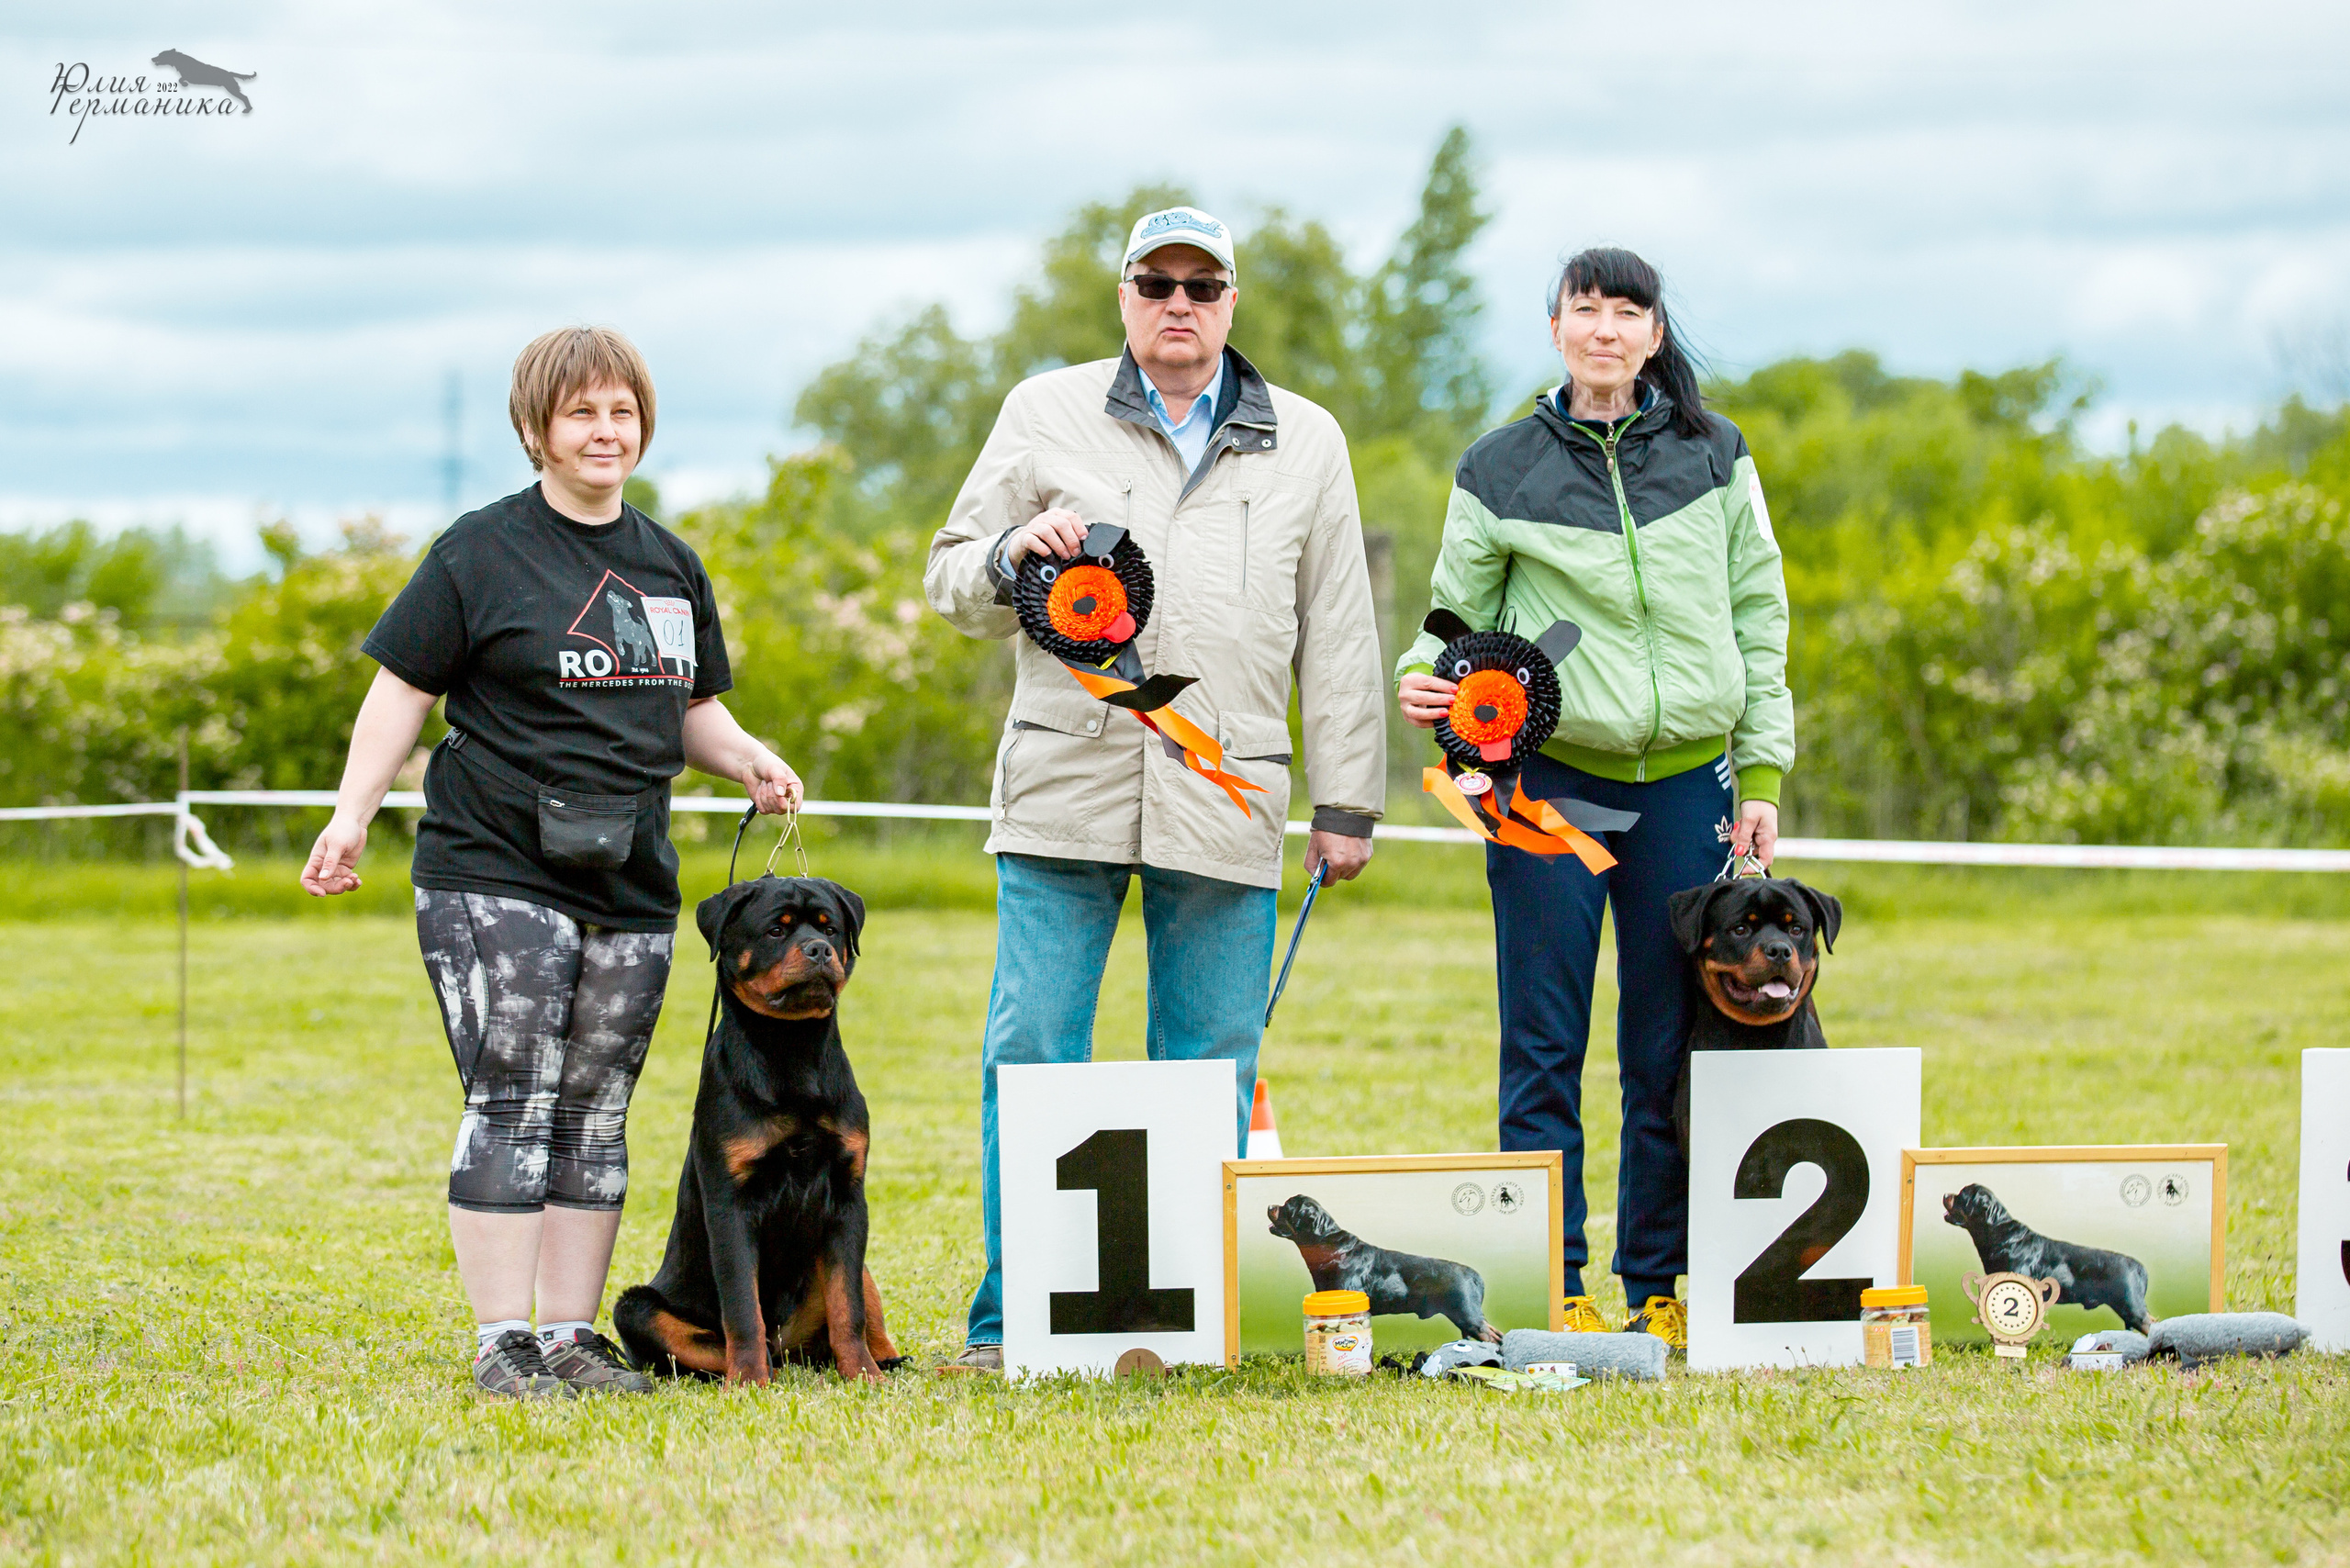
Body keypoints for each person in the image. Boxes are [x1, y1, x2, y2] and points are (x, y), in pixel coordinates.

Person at [299, 326, 803, 1399]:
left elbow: (689, 710)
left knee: (597, 1107)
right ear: (536, 430)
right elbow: (401, 691)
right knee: (514, 1097)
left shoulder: (670, 563)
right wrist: (353, 813)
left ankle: (571, 1334)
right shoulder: (477, 552)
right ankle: (502, 1341)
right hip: (494, 864)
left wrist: (748, 755)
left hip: (632, 874)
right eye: (581, 412)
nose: (604, 430)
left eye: (621, 411)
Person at [925, 206, 1388, 1372]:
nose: (1178, 303)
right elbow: (947, 582)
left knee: (1211, 1063)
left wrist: (1346, 802)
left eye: (1202, 283)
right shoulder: (1042, 412)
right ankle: (1008, 1321)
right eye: (1156, 282)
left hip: (1226, 792)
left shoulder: (1311, 440)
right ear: (1123, 297)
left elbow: (1337, 631)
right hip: (1061, 783)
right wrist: (1009, 555)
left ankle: (1182, 1316)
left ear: (1232, 302)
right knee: (1029, 1051)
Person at [1394, 247, 1793, 1350]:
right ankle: (1551, 1280)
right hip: (1547, 789)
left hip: (1685, 790)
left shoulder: (1718, 455)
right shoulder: (1497, 467)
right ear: (1557, 328)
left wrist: (1756, 774)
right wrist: (1418, 682)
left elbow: (1758, 615)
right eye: (1587, 308)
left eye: (1629, 310)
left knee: (1668, 1042)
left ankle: (1656, 1279)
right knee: (1544, 1038)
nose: (1607, 327)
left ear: (1654, 334)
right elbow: (1447, 622)